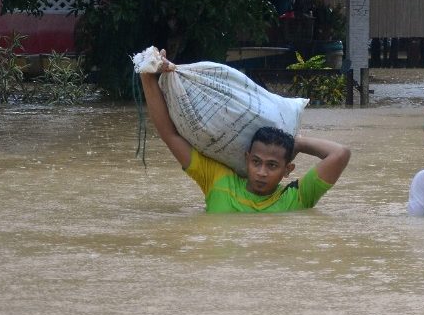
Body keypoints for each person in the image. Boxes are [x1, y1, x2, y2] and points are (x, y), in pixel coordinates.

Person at [140, 53, 350, 213]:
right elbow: (170, 134)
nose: (261, 172)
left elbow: (340, 154)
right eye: (256, 162)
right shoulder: (218, 180)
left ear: (288, 169)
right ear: (246, 158)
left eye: (273, 165)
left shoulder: (296, 198)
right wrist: (147, 76)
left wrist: (298, 143)